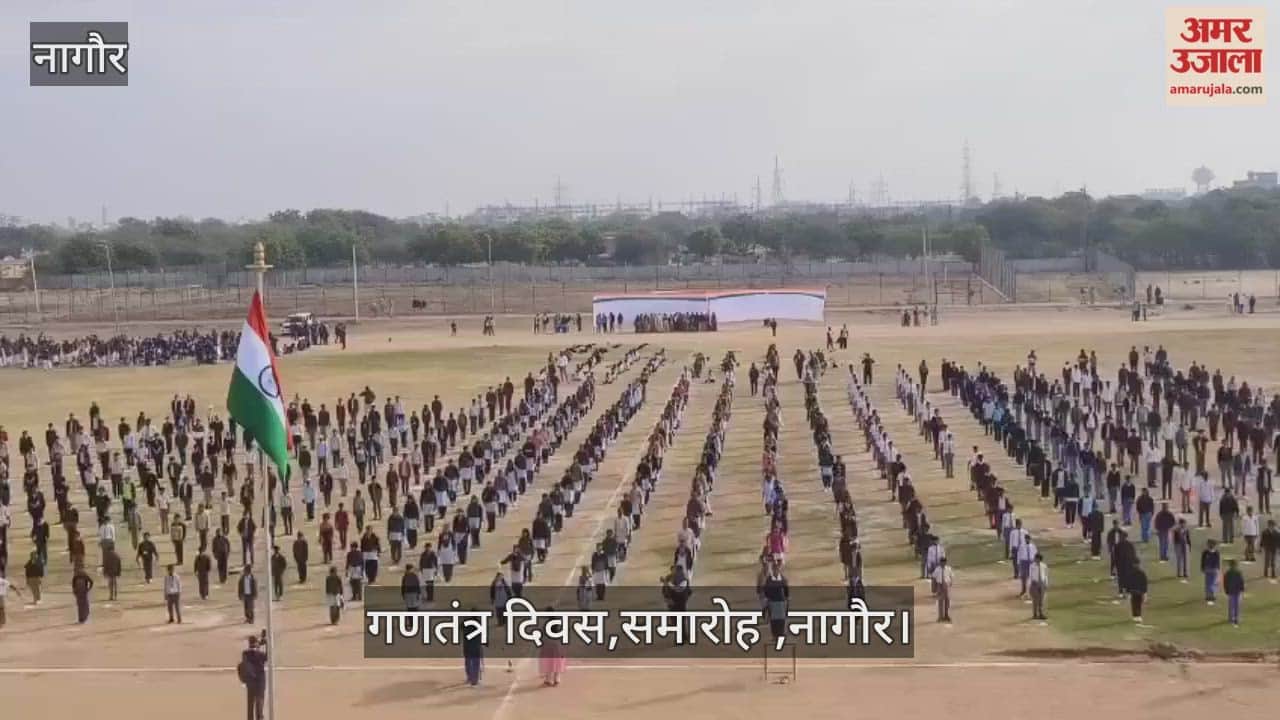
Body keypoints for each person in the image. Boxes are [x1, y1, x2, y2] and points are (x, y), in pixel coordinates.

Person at [239, 633, 268, 720]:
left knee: (250, 703)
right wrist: (266, 644)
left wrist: (258, 645)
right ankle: (259, 718)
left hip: (250, 682)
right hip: (260, 683)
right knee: (259, 703)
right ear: (255, 643)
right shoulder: (260, 654)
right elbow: (267, 657)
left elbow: (250, 655)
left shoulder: (245, 654)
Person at [538, 605, 568, 686]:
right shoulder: (558, 621)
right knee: (558, 661)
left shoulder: (546, 623)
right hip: (556, 643)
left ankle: (548, 679)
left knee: (548, 662)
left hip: (548, 643)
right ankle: (557, 679)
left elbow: (543, 634)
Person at [462, 610, 485, 686]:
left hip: (467, 646)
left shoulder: (465, 623)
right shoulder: (479, 623)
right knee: (475, 663)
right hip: (476, 646)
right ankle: (474, 679)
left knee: (468, 662)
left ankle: (469, 677)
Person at [931, 557, 953, 622]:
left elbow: (951, 576)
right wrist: (933, 587)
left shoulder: (948, 568)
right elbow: (934, 578)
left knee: (947, 601)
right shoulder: (937, 569)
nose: (943, 563)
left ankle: (946, 615)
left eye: (944, 562)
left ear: (945, 562)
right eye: (941, 562)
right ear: (940, 562)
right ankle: (940, 616)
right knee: (940, 601)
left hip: (946, 585)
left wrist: (951, 582)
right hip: (940, 585)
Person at [1028, 553, 1049, 621]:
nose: (1035, 559)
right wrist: (1030, 585)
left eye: (1036, 558)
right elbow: (1030, 576)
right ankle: (1035, 614)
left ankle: (1041, 614)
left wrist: (1046, 584)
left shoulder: (1044, 566)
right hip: (1035, 583)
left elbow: (1046, 575)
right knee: (1035, 600)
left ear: (1039, 559)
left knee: (1041, 600)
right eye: (1035, 558)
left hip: (1042, 583)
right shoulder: (1032, 566)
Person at [1224, 559, 1245, 626]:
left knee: (1232, 605)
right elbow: (1241, 581)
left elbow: (1225, 582)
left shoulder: (1228, 573)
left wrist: (1226, 590)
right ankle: (1235, 618)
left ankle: (1231, 618)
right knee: (1236, 605)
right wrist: (1242, 589)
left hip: (1231, 591)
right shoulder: (1238, 572)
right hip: (1237, 591)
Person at [1201, 539, 1221, 605]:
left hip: (1214, 570)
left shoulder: (1216, 553)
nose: (1210, 545)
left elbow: (1217, 561)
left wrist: (1218, 569)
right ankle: (1208, 595)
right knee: (1208, 583)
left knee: (1213, 583)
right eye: (1209, 544)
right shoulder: (1205, 552)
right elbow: (1202, 561)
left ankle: (1212, 595)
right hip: (1207, 569)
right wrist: (1202, 568)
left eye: (1212, 544)